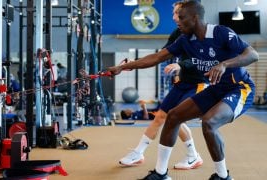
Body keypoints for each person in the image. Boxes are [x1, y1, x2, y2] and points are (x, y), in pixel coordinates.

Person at [107, 1, 258, 179]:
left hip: (239, 88)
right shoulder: (185, 40)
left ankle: (223, 176)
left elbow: (252, 55)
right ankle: (161, 174)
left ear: (194, 18)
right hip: (216, 89)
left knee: (209, 123)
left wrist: (224, 64)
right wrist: (123, 67)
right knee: (173, 116)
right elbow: (157, 57)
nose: (177, 21)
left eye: (181, 17)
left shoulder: (221, 33)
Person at [118, 1, 205, 170]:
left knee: (175, 117)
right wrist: (134, 63)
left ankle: (193, 156)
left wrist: (181, 65)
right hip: (182, 83)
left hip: (199, 83)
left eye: (177, 14)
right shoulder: (177, 33)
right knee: (160, 116)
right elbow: (160, 55)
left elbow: (202, 57)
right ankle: (138, 153)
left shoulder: (201, 33)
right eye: (173, 14)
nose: (174, 17)